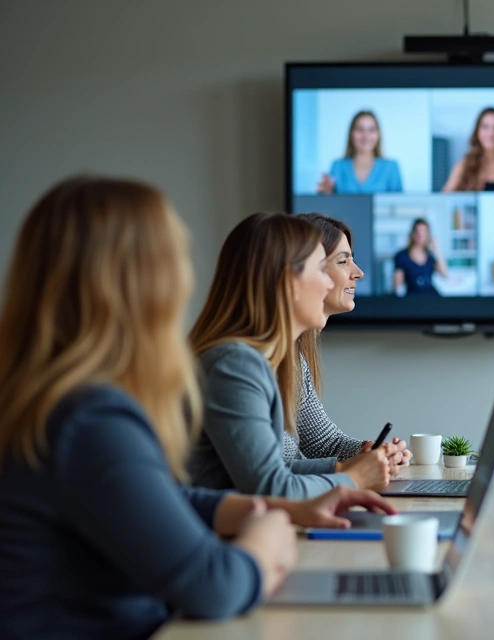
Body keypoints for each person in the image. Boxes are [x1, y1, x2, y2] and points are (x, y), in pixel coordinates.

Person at [0, 176, 395, 639]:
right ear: (146, 281)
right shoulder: (90, 419)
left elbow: (158, 498)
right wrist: (265, 539)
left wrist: (264, 507)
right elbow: (215, 586)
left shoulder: (60, 402)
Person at [188, 212, 394, 498]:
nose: (327, 285)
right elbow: (271, 485)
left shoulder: (268, 360)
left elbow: (280, 469)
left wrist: (354, 466)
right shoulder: (234, 366)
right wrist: (353, 478)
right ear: (287, 283)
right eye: (320, 271)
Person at [293, 213, 412, 469]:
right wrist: (348, 471)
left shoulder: (292, 359)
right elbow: (270, 476)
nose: (358, 273)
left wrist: (372, 453)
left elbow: (325, 444)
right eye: (343, 261)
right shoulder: (244, 362)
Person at [316, 110, 403, 194]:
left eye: (371, 130)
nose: (366, 136)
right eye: (360, 129)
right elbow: (330, 200)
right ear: (351, 133)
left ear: (378, 134)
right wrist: (325, 193)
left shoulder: (391, 167)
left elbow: (398, 202)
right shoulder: (337, 166)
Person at [393, 218, 448, 297]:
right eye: (418, 232)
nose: (420, 235)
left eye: (424, 232)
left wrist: (437, 250)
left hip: (431, 297)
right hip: (412, 298)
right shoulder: (402, 256)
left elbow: (444, 274)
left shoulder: (430, 256)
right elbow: (398, 285)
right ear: (412, 234)